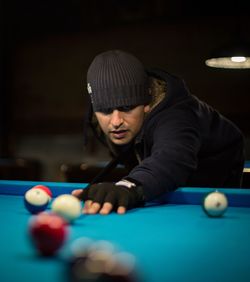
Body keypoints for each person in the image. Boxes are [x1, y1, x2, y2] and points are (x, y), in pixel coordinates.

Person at [72, 49, 245, 215]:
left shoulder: (177, 117)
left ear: (146, 103)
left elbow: (171, 158)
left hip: (214, 172)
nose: (116, 122)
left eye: (127, 107)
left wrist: (129, 186)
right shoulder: (105, 121)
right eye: (106, 110)